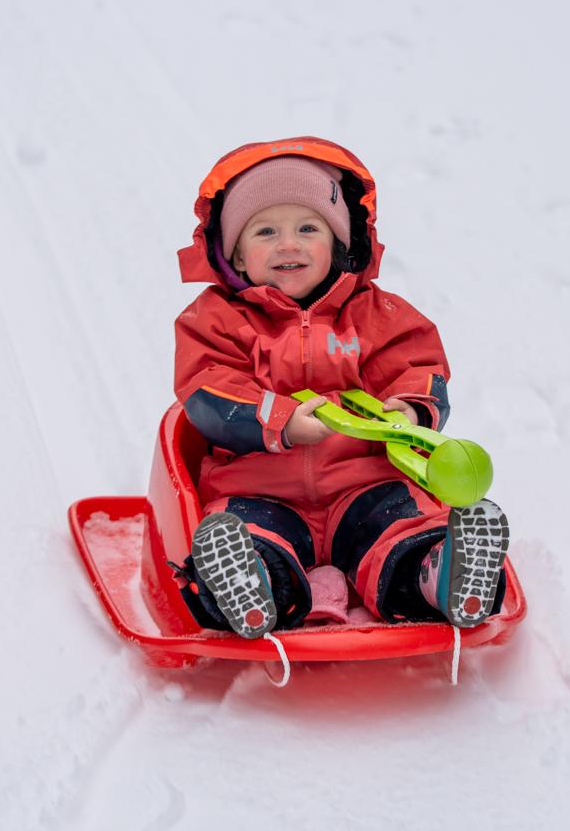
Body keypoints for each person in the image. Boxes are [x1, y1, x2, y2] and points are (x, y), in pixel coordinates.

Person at [172, 137, 509, 641]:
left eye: (309, 228)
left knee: (403, 528)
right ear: (236, 256)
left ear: (339, 243)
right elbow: (207, 390)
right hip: (259, 488)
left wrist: (412, 410)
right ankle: (253, 584)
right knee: (246, 536)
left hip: (365, 483)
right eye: (266, 231)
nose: (289, 243)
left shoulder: (377, 314)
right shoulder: (215, 321)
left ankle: (443, 575)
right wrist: (279, 421)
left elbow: (418, 365)